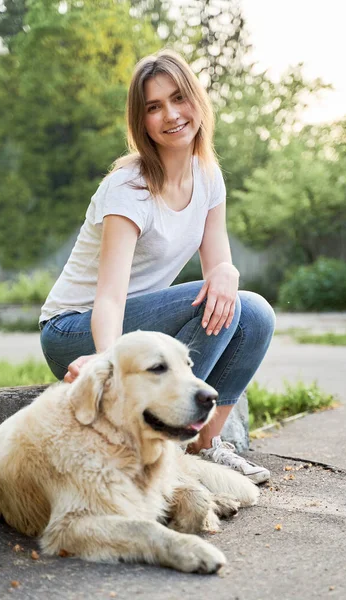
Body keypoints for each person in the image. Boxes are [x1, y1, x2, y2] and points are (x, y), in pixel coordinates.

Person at [39, 49, 275, 484]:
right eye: (154, 107)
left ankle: (205, 446)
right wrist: (107, 362)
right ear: (141, 121)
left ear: (197, 101)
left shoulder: (208, 176)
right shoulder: (128, 187)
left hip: (140, 328)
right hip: (73, 330)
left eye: (178, 98)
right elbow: (109, 295)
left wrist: (228, 271)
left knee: (254, 311)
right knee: (216, 301)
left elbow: (218, 264)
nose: (171, 114)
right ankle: (163, 443)